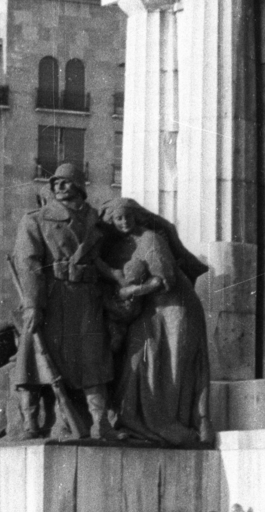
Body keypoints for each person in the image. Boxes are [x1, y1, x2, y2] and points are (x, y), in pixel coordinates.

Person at [97, 197, 212, 447]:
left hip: (175, 306)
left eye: (128, 217)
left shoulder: (151, 239)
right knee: (138, 360)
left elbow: (162, 279)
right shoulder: (122, 246)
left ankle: (173, 422)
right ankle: (137, 420)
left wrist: (129, 293)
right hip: (150, 309)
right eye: (118, 218)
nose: (124, 222)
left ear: (136, 217)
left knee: (171, 363)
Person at [12, 162, 114, 441]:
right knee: (39, 361)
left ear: (80, 185)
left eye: (66, 181)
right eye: (55, 182)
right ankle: (35, 422)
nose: (58, 186)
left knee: (94, 362)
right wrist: (32, 304)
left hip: (88, 300)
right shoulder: (36, 220)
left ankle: (99, 421)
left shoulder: (98, 221)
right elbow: (28, 264)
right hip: (54, 300)